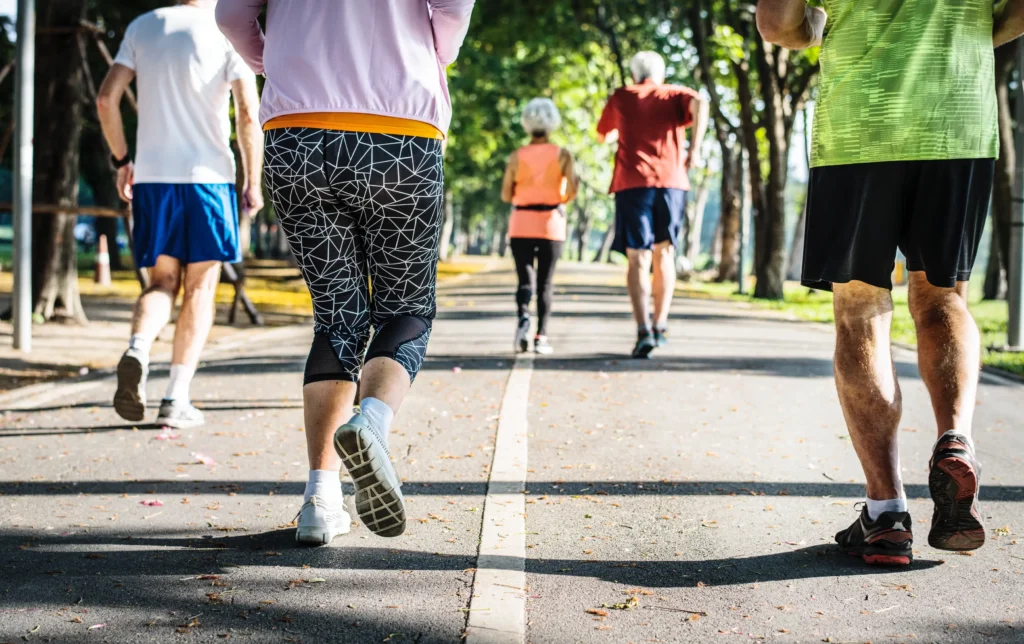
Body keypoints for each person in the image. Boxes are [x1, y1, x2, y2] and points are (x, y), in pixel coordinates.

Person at [757, 0, 1024, 565]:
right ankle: (956, 440)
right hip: (958, 117)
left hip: (860, 125)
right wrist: (972, 30)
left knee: (860, 307)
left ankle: (886, 516)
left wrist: (815, 33)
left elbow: (779, 22)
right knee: (942, 295)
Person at [217, 0, 475, 545]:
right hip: (400, 133)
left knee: (337, 317)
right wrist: (433, 53)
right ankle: (372, 421)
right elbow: (452, 9)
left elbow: (230, 15)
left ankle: (319, 500)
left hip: (297, 133)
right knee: (405, 308)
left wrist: (274, 61)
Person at [98, 0, 263, 430]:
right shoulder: (230, 27)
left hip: (153, 179)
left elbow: (105, 99)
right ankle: (176, 397)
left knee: (161, 283)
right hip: (208, 180)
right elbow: (248, 113)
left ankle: (138, 347)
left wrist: (122, 162)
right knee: (200, 288)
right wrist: (253, 180)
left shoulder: (142, 26)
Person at [597, 52, 709, 359]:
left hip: (633, 184)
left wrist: (620, 132)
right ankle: (661, 325)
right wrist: (694, 150)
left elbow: (602, 135)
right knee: (665, 252)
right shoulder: (672, 94)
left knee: (637, 257)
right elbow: (701, 102)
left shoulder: (622, 96)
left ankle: (643, 329)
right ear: (659, 74)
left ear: (634, 74)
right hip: (671, 183)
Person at [501, 98, 579, 355]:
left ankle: (524, 316)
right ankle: (541, 336)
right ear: (553, 123)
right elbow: (573, 188)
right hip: (550, 225)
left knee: (525, 280)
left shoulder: (516, 156)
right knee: (545, 283)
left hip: (521, 223)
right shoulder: (563, 155)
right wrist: (559, 200)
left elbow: (505, 194)